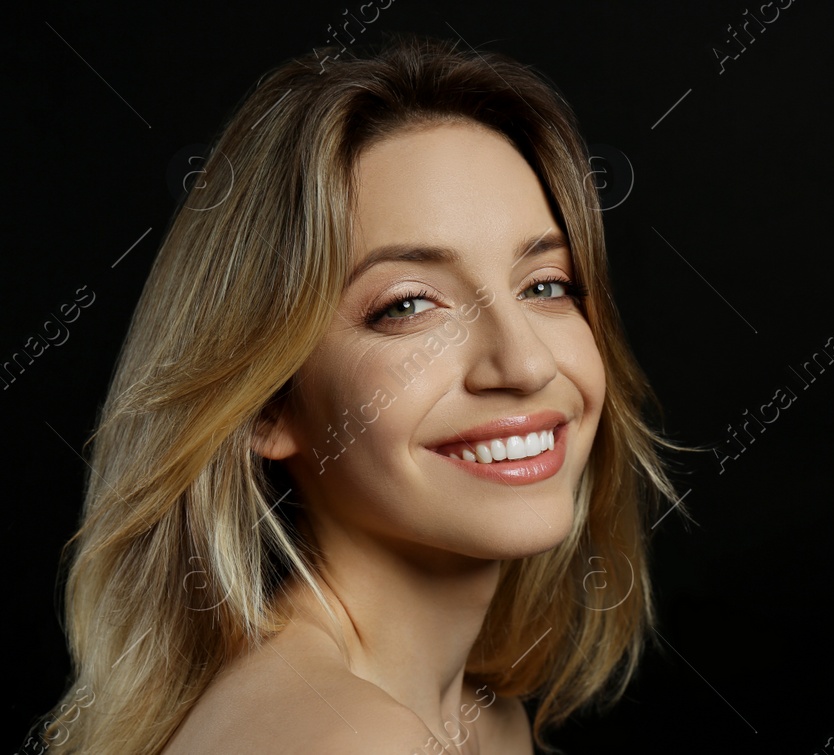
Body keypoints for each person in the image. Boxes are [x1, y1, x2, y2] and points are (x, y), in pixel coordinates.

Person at [38, 34, 690, 754]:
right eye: (410, 305)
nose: (526, 362)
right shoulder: (350, 739)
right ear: (267, 403)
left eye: (546, 284)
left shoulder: (482, 719)